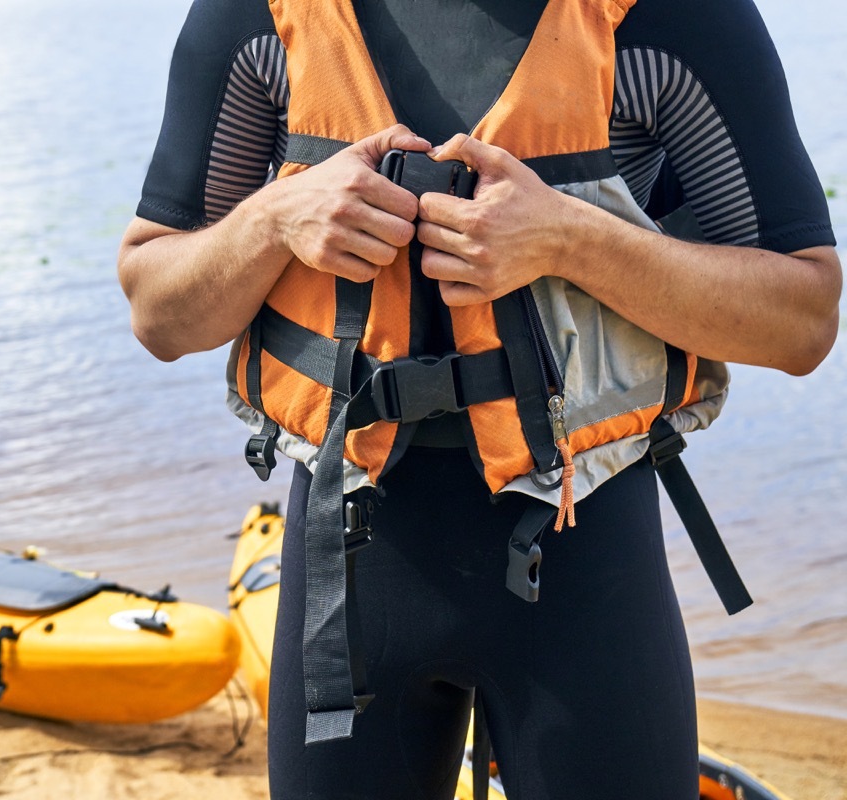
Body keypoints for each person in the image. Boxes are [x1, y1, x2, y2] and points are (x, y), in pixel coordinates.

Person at [118, 0, 841, 797]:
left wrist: (570, 238)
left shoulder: (673, 18)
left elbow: (801, 320)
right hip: (348, 569)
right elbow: (159, 311)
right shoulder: (258, 17)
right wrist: (273, 219)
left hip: (587, 562)